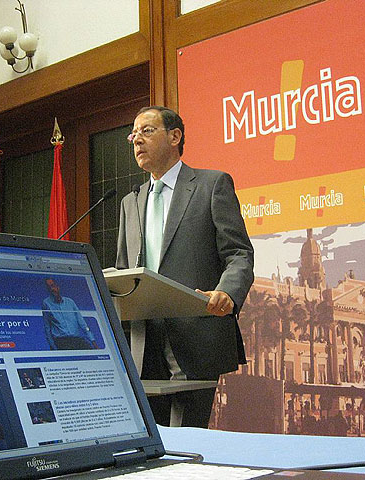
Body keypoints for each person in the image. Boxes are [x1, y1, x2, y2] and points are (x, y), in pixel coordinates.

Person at [116, 106, 254, 428]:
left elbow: (239, 253)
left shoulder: (211, 185)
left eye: (147, 131)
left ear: (175, 136)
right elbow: (124, 271)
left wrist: (226, 292)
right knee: (152, 436)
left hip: (196, 334)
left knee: (188, 437)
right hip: (143, 340)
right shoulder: (129, 202)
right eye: (134, 135)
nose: (137, 140)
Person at [42, 278, 99, 350]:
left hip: (76, 339)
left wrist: (94, 342)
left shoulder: (70, 302)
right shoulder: (46, 303)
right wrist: (53, 347)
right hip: (61, 341)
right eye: (49, 287)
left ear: (57, 286)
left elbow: (82, 323)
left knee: (91, 352)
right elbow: (47, 327)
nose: (52, 289)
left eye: (52, 286)